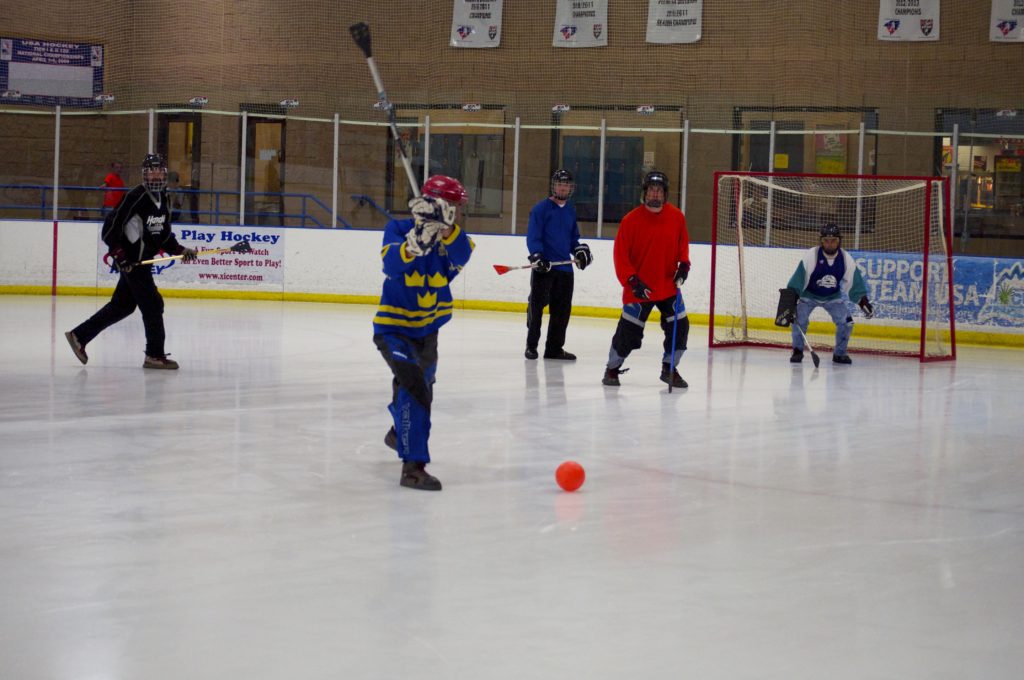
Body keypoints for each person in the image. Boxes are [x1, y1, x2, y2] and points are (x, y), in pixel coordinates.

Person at [373, 175, 475, 491]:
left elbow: (462, 255)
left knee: (421, 387)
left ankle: (398, 433)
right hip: (394, 330)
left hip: (428, 332)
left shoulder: (454, 240)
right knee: (415, 388)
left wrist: (442, 231)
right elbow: (391, 265)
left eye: (458, 208)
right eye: (451, 206)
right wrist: (412, 244)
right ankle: (413, 466)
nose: (456, 213)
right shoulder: (398, 230)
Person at [65, 154, 197, 370]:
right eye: (151, 170)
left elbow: (162, 235)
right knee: (153, 305)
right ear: (144, 174)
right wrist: (120, 255)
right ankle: (154, 355)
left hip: (143, 262)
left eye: (159, 170)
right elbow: (110, 228)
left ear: (164, 173)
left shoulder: (164, 198)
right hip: (133, 263)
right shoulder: (135, 196)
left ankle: (78, 335)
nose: (155, 174)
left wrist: (181, 250)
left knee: (123, 305)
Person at [602, 170, 691, 389]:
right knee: (628, 333)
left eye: (659, 191)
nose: (655, 194)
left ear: (665, 194)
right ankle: (612, 368)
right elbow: (620, 256)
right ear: (645, 192)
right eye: (652, 190)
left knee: (680, 326)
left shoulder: (677, 217)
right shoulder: (630, 221)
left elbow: (683, 248)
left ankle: (669, 368)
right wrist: (632, 281)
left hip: (668, 286)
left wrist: (684, 266)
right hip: (640, 288)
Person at [776, 223, 874, 365]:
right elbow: (798, 279)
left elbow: (854, 283)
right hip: (808, 295)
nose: (829, 244)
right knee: (800, 320)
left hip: (832, 297)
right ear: (821, 241)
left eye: (833, 240)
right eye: (826, 241)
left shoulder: (846, 259)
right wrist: (790, 303)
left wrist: (863, 301)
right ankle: (797, 351)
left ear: (839, 241)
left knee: (847, 323)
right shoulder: (812, 255)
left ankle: (839, 354)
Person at [524, 169, 593, 360]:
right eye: (560, 184)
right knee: (536, 309)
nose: (563, 187)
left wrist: (579, 250)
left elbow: (572, 239)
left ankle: (554, 348)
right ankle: (531, 346)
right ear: (553, 186)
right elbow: (533, 237)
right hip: (544, 268)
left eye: (566, 184)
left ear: (571, 188)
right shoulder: (540, 209)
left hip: (564, 270)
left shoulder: (570, 210)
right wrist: (537, 256)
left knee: (562, 312)